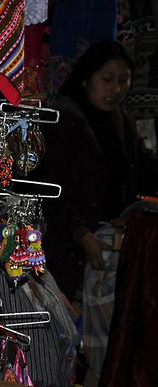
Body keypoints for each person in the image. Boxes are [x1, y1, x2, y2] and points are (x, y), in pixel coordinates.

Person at [39, 40, 158, 299]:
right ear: (85, 79)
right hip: (68, 249)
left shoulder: (121, 122)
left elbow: (144, 171)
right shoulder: (60, 121)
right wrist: (80, 234)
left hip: (110, 244)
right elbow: (47, 192)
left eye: (123, 81)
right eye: (107, 79)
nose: (116, 89)